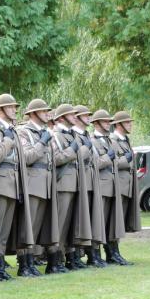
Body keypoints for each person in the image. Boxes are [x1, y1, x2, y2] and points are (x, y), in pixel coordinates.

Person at [0, 94, 34, 281]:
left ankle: (0, 266)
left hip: (13, 183)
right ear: (0, 110)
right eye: (10, 107)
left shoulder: (12, 130)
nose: (14, 110)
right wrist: (6, 140)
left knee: (4, 232)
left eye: (15, 107)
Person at [17, 99, 59, 277]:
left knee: (35, 227)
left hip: (45, 182)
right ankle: (23, 264)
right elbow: (27, 157)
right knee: (27, 226)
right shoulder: (24, 132)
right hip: (32, 182)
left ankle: (31, 261)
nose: (47, 114)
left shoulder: (44, 132)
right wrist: (42, 142)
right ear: (33, 113)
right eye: (43, 111)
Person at [50, 104, 91, 273]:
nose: (75, 116)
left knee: (70, 225)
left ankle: (69, 257)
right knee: (59, 225)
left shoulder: (72, 135)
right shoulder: (55, 135)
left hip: (74, 182)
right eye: (71, 114)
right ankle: (54, 260)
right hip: (63, 184)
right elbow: (56, 158)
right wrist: (73, 150)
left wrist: (82, 150)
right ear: (61, 118)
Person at [72, 105, 106, 268]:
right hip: (80, 181)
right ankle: (75, 256)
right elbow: (76, 156)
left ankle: (94, 255)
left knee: (93, 219)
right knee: (79, 221)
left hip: (91, 180)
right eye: (85, 115)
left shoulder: (86, 135)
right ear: (77, 117)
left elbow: (95, 160)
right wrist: (86, 147)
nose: (88, 118)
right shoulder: (74, 135)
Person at [90, 109, 122, 266]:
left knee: (111, 221)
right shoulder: (91, 141)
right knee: (98, 222)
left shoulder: (110, 140)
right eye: (105, 121)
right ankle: (94, 255)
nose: (108, 123)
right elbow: (93, 164)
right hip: (100, 185)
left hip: (112, 185)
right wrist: (107, 158)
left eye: (109, 121)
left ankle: (113, 253)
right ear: (96, 123)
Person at [109, 111, 141, 264]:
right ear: (118, 124)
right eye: (127, 122)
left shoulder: (125, 140)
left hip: (127, 185)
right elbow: (112, 162)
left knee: (120, 221)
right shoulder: (113, 140)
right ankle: (112, 253)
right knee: (115, 221)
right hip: (119, 186)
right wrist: (125, 160)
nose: (130, 125)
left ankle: (115, 252)